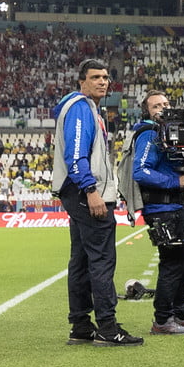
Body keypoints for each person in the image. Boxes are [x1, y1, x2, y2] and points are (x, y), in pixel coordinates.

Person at [53, 59, 141, 347]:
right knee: (102, 260)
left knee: (80, 261)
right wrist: (91, 190)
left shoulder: (85, 108)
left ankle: (80, 325)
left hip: (76, 193)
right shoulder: (80, 107)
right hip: (86, 194)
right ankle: (107, 326)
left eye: (105, 77)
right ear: (82, 82)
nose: (103, 81)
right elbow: (76, 154)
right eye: (95, 77)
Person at [128, 90, 184, 336]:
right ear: (147, 112)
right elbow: (140, 171)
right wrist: (176, 181)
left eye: (166, 104)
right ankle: (162, 320)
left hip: (180, 206)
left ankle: (181, 312)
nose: (163, 108)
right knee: (172, 263)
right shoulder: (149, 134)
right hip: (163, 208)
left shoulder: (172, 135)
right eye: (156, 105)